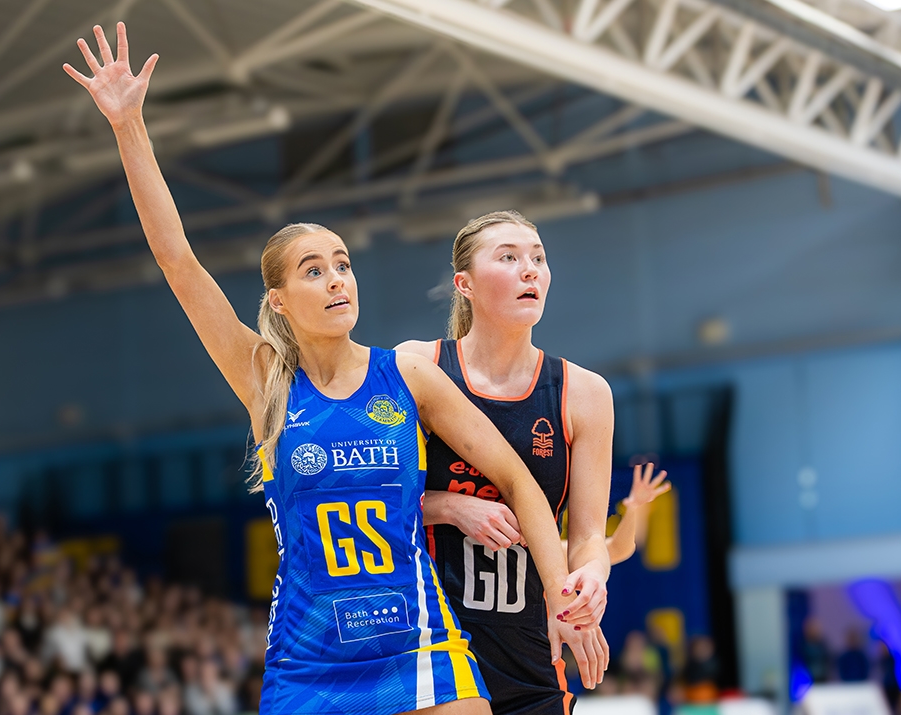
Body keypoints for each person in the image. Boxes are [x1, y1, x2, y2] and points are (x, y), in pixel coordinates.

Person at [63, 24, 595, 715]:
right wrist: (130, 126)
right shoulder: (267, 382)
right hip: (312, 659)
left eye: (343, 263)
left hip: (419, 643)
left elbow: (520, 481)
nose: (338, 279)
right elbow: (179, 264)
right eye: (315, 270)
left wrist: (561, 597)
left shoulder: (407, 375)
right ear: (280, 301)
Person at [397, 211, 621, 712]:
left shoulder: (584, 393)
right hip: (431, 635)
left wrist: (589, 580)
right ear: (465, 284)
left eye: (538, 259)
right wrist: (450, 507)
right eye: (509, 258)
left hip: (530, 643)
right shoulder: (418, 367)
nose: (531, 271)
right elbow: (373, 501)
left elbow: (586, 537)